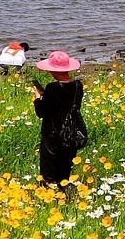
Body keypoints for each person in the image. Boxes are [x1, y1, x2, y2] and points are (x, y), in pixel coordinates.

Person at [29, 51, 87, 188]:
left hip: (52, 132)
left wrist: (38, 97)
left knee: (48, 170)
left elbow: (41, 112)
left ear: (53, 70)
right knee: (65, 167)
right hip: (71, 131)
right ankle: (63, 191)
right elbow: (66, 103)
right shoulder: (78, 85)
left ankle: (49, 193)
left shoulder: (52, 87)